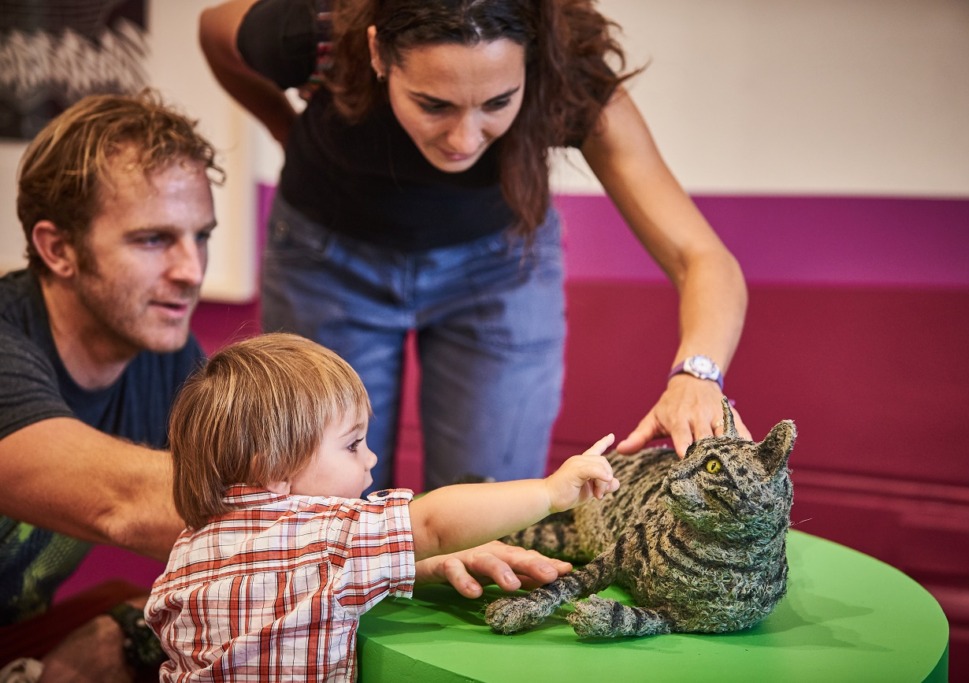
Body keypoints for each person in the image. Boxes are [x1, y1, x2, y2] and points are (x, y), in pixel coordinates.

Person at [0, 91, 575, 683]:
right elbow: (132, 505)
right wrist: (393, 543)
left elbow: (239, 541)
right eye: (152, 240)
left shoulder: (161, 359)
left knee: (125, 629)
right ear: (57, 249)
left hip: (22, 634)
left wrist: (392, 560)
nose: (191, 270)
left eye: (200, 236)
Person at [198, 0, 752, 493]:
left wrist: (698, 374)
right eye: (433, 104)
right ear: (377, 53)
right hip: (327, 263)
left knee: (491, 501)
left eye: (497, 102)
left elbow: (701, 256)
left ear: (530, 64)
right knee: (325, 500)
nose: (465, 139)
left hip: (499, 270)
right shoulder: (317, 30)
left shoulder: (571, 82)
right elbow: (215, 31)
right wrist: (283, 129)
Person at [145, 332, 618, 682]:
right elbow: (433, 521)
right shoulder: (329, 536)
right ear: (273, 467)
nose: (372, 459)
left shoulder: (189, 548)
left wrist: (423, 565)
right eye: (353, 445)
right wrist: (550, 492)